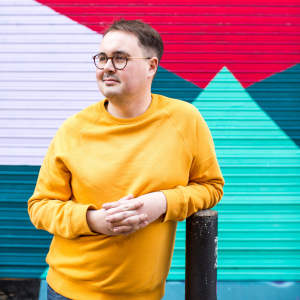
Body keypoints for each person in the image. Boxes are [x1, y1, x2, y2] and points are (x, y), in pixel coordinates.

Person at [27, 18, 225, 300]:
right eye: (103, 58)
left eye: (120, 58)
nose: (107, 66)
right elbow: (40, 206)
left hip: (144, 294)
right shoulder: (73, 129)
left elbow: (211, 187)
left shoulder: (184, 120)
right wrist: (94, 220)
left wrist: (163, 202)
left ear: (151, 66)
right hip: (69, 291)